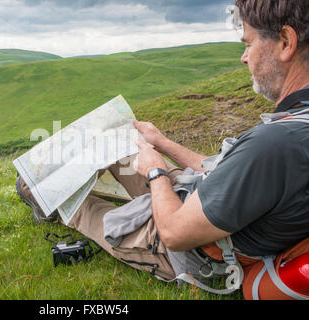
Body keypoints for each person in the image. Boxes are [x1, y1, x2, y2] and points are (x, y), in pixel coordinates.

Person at [16, 0, 308, 294]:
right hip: (197, 197)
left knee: (87, 210)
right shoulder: (296, 123)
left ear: (285, 42)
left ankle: (41, 194)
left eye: (249, 43)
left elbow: (174, 234)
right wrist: (162, 143)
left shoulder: (276, 144)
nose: (244, 57)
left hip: (190, 249)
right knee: (124, 150)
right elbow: (226, 169)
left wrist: (156, 172)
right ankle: (50, 177)